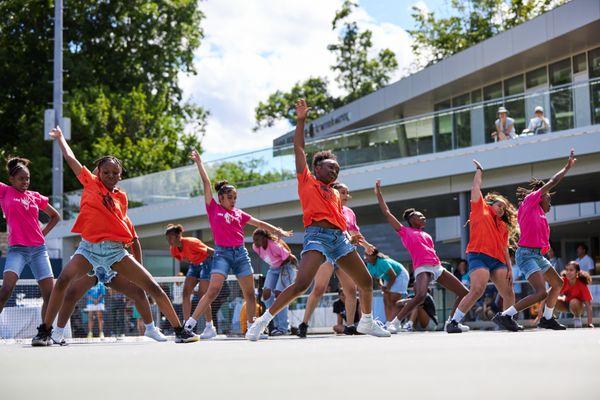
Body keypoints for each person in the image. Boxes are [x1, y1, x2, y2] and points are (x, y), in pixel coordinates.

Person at [32, 126, 196, 346]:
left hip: (115, 253)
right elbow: (70, 158)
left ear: (120, 175)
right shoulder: (90, 183)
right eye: (106, 172)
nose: (111, 176)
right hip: (89, 249)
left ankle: (179, 330)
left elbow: (123, 228)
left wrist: (134, 258)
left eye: (115, 173)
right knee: (63, 282)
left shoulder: (122, 197)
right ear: (98, 172)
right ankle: (46, 332)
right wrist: (61, 139)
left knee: (151, 287)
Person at [246, 99, 390, 341]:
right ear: (316, 168)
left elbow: (340, 221)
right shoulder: (307, 180)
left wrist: (350, 236)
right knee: (302, 284)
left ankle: (366, 322)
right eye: (329, 168)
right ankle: (261, 322)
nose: (334, 172)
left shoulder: (335, 193)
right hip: (317, 237)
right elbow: (299, 148)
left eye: (337, 169)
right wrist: (301, 120)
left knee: (365, 281)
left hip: (339, 239)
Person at [184, 149, 292, 335]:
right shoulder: (213, 208)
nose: (233, 200)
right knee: (213, 290)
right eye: (230, 197)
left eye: (235, 197)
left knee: (250, 294)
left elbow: (258, 223)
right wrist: (199, 163)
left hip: (240, 253)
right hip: (222, 254)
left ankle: (252, 327)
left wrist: (278, 231)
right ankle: (189, 326)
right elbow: (206, 182)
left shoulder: (239, 213)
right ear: (221, 198)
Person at [493, 149, 576, 331]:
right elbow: (553, 182)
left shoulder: (541, 215)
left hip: (537, 255)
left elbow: (541, 240)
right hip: (526, 255)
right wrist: (567, 167)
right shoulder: (530, 202)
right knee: (540, 293)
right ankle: (505, 316)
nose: (550, 200)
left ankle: (547, 318)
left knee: (557, 283)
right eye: (548, 197)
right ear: (540, 196)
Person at [374, 179, 468, 331]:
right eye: (420, 216)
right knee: (420, 296)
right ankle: (394, 323)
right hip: (422, 267)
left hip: (436, 266)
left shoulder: (426, 234)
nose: (424, 218)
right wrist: (378, 193)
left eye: (424, 217)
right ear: (411, 219)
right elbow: (387, 213)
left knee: (464, 292)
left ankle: (452, 322)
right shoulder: (404, 231)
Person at [447, 160, 519, 333]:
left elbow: (504, 249)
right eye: (499, 205)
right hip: (478, 255)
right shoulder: (480, 208)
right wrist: (480, 170)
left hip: (498, 260)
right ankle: (453, 322)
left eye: (504, 207)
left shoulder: (502, 226)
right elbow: (476, 186)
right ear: (490, 203)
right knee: (477, 289)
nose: (501, 209)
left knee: (509, 292)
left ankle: (507, 320)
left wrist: (510, 268)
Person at [296, 182, 374, 338]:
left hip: (343, 252)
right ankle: (303, 324)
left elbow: (353, 232)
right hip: (327, 252)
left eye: (347, 192)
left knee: (351, 290)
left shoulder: (350, 212)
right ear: (334, 193)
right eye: (343, 192)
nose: (346, 196)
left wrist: (366, 245)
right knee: (319, 289)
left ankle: (350, 326)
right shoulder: (326, 207)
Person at [0, 157, 61, 320]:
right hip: (17, 250)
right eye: (21, 179)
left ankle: (45, 331)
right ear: (11, 179)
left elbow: (55, 216)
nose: (25, 182)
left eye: (27, 178)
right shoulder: (4, 191)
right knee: (6, 289)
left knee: (50, 294)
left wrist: (42, 234)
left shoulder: (35, 196)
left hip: (39, 250)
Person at [165, 224, 217, 339]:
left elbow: (211, 252)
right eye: (167, 237)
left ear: (179, 236)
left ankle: (210, 327)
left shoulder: (191, 242)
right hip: (194, 265)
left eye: (171, 237)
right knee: (185, 293)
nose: (169, 240)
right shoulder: (173, 249)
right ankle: (186, 325)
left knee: (204, 295)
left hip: (207, 262)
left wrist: (223, 265)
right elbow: (182, 258)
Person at [252, 229, 297, 336]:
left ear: (264, 238)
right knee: (266, 295)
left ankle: (284, 328)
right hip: (273, 268)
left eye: (257, 240)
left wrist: (299, 272)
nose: (255, 242)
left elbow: (290, 258)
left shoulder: (274, 245)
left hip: (286, 266)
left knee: (280, 294)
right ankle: (277, 325)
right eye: (254, 240)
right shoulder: (256, 247)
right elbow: (272, 261)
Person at [364, 249, 409, 333]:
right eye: (365, 255)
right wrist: (382, 285)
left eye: (368, 255)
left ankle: (394, 324)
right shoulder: (369, 264)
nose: (365, 258)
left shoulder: (382, 262)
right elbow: (376, 277)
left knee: (394, 300)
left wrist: (387, 288)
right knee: (386, 299)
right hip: (389, 277)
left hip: (400, 275)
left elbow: (393, 276)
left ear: (374, 256)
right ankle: (389, 323)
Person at [556, 261, 594, 328]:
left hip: (578, 307)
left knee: (574, 302)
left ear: (577, 272)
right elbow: (548, 294)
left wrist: (590, 323)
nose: (568, 272)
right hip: (567, 305)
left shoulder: (581, 284)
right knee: (553, 299)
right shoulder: (563, 281)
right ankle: (549, 320)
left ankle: (577, 318)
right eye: (567, 270)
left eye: (571, 270)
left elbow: (588, 305)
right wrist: (540, 316)